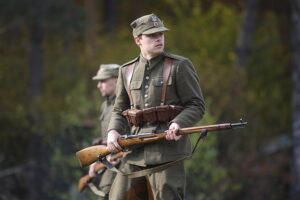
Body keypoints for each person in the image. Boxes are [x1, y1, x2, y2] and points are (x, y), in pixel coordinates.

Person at [106, 13, 205, 200]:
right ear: (138, 40)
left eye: (160, 33)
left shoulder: (179, 66)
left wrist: (178, 123)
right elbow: (119, 109)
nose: (158, 38)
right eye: (152, 35)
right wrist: (112, 132)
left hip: (167, 152)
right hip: (135, 151)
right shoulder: (126, 70)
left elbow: (196, 105)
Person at [88, 64, 121, 200]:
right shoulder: (105, 105)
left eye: (103, 81)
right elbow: (105, 138)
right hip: (108, 160)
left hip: (122, 163)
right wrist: (96, 159)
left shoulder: (128, 103)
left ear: (117, 80)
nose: (99, 85)